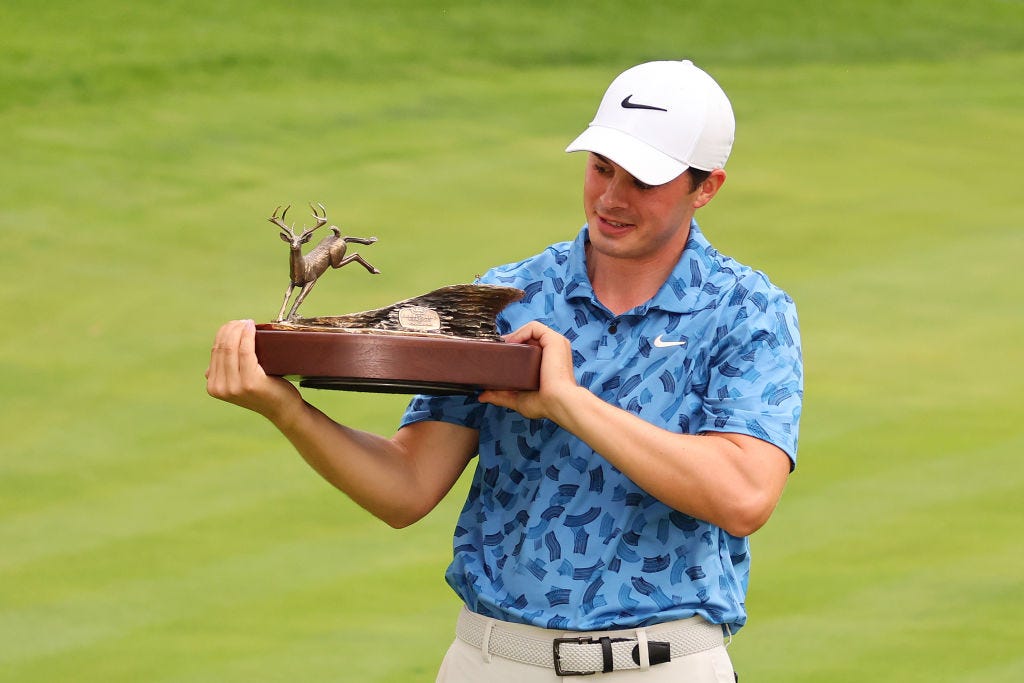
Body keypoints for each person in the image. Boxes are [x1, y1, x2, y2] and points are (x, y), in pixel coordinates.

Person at [207, 59, 803, 682]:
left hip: (662, 665)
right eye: (601, 167)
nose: (610, 198)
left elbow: (743, 496)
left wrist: (569, 403)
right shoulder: (511, 296)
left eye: (643, 181)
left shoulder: (748, 312)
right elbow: (406, 487)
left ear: (705, 187)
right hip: (492, 662)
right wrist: (286, 410)